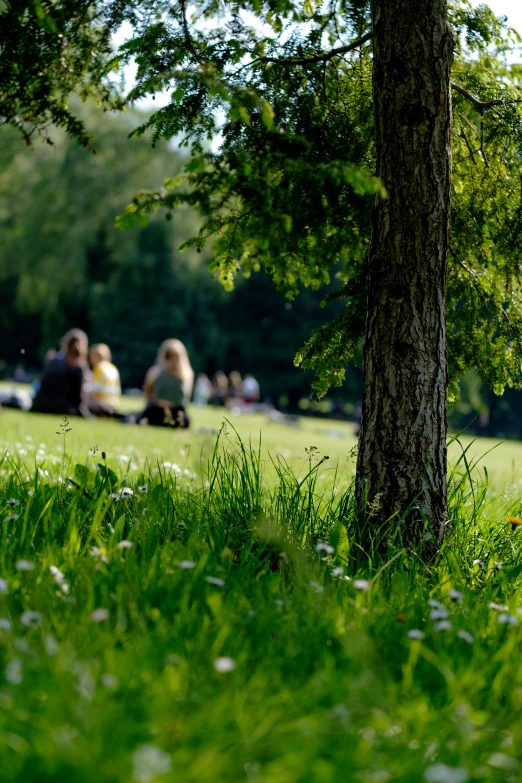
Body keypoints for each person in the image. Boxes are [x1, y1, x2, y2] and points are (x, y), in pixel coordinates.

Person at [31, 329, 91, 417]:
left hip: (40, 405)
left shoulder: (52, 360)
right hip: (62, 408)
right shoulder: (78, 368)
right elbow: (78, 399)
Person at [139, 339, 194, 427]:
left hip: (156, 413)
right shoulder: (187, 374)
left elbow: (148, 395)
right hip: (177, 416)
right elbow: (185, 400)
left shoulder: (155, 372)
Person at [89, 343, 121, 415]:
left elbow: (93, 390)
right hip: (114, 403)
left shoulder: (99, 368)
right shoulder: (113, 368)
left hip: (101, 403)